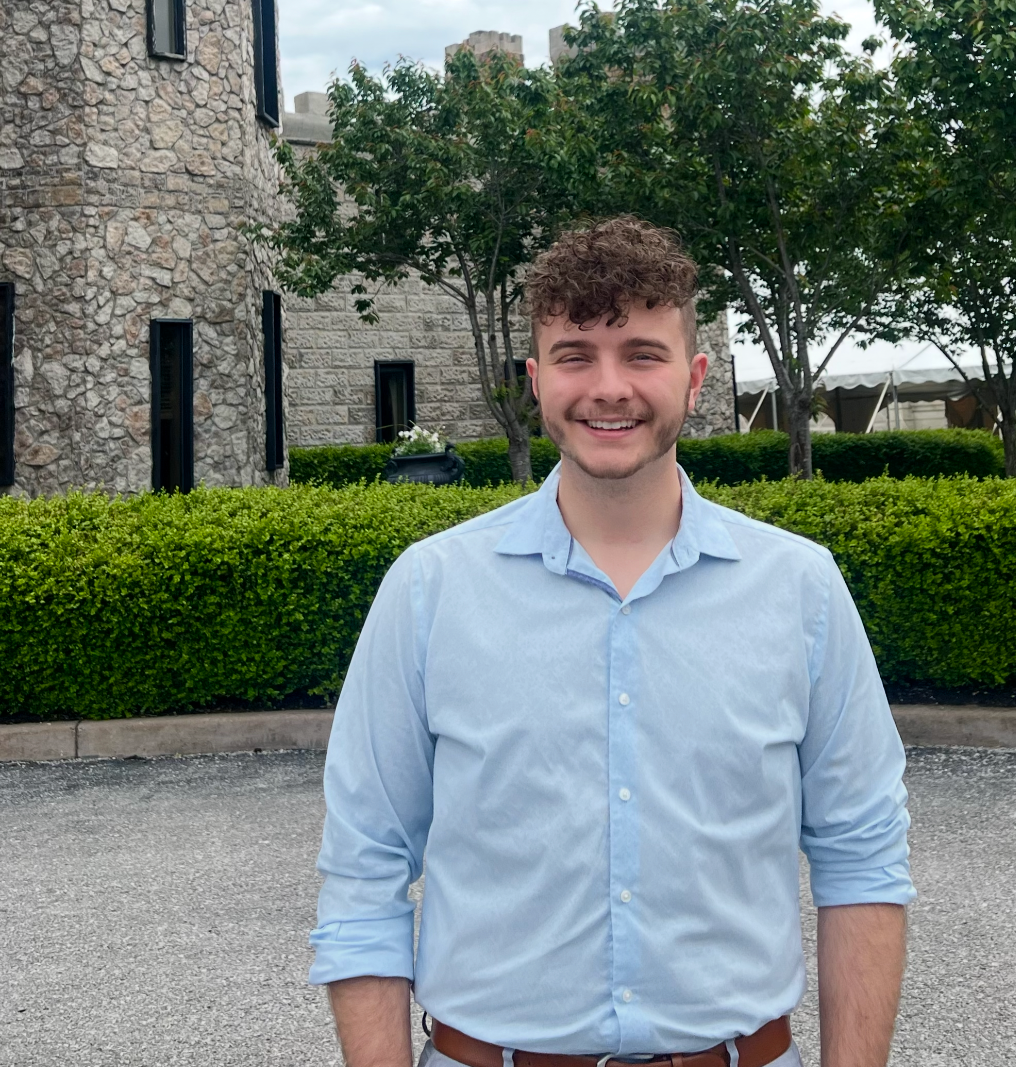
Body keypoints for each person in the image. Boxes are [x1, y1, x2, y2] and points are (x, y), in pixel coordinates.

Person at [309, 217, 915, 1067]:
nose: (608, 387)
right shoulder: (429, 590)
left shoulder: (801, 590)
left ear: (694, 377)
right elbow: (365, 869)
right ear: (535, 378)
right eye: (575, 355)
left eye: (641, 353)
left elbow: (863, 862)